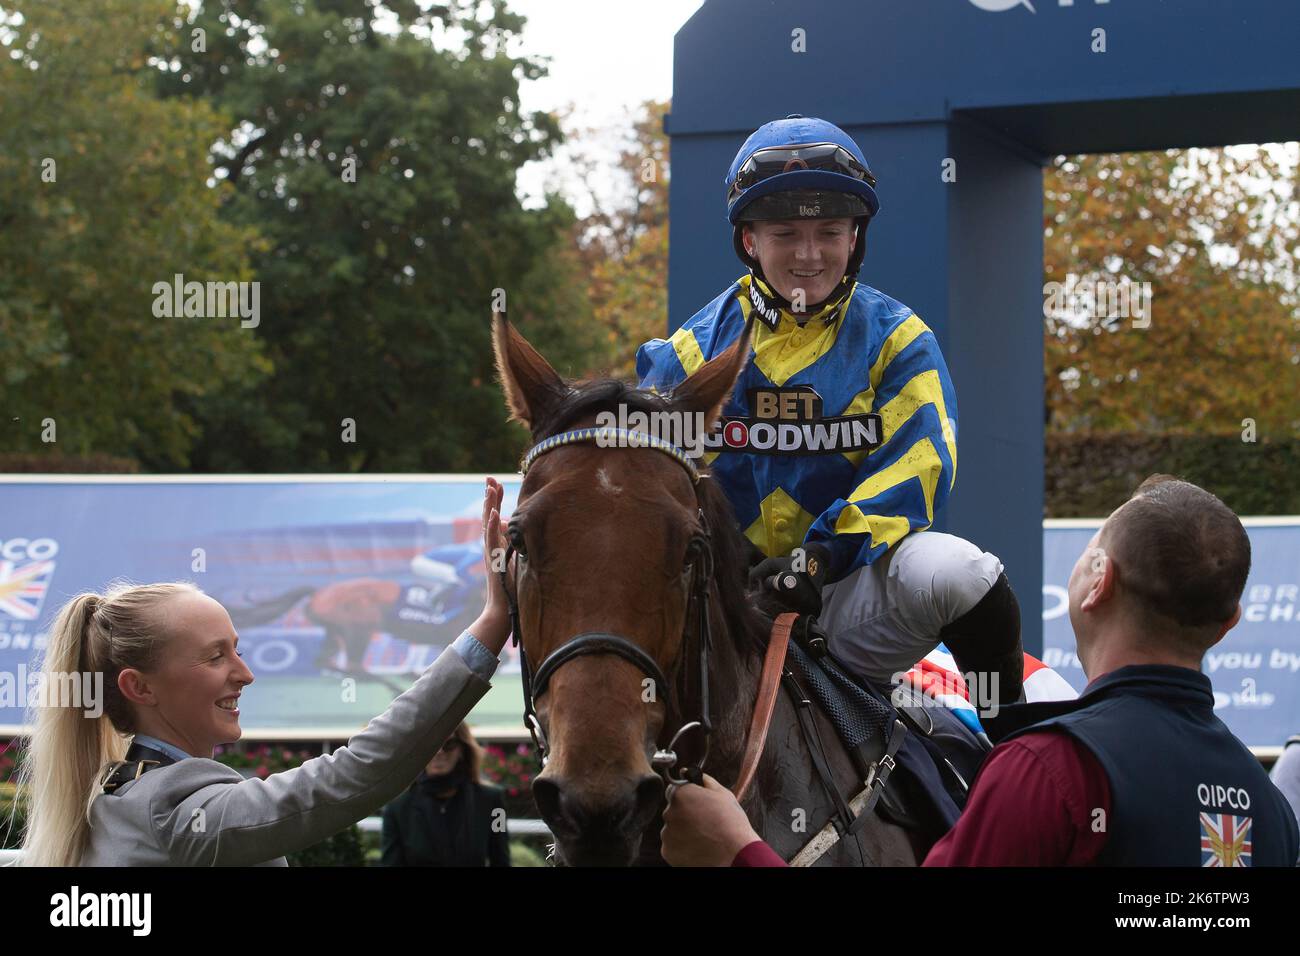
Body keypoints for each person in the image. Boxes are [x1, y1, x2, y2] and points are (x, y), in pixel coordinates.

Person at [660, 475, 1300, 866]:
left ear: (1097, 582)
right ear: (1230, 623)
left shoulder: (1050, 772)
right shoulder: (1270, 810)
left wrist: (737, 853)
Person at [637, 114, 1022, 713]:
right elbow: (647, 483)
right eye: (785, 233)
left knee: (959, 571)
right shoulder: (689, 353)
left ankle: (1016, 755)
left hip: (843, 593)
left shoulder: (900, 340)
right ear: (749, 240)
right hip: (724, 605)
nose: (809, 255)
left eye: (830, 232)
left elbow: (920, 466)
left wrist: (821, 555)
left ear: (855, 238)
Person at [17, 478, 514, 867]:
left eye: (237, 650)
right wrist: (492, 622)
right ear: (139, 686)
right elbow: (357, 774)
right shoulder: (168, 808)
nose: (245, 674)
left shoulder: (113, 796)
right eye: (215, 657)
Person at [380, 721, 510, 867]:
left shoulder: (493, 801)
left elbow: (501, 860)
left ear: (462, 749)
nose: (439, 751)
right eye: (431, 744)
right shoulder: (396, 808)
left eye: (449, 744)